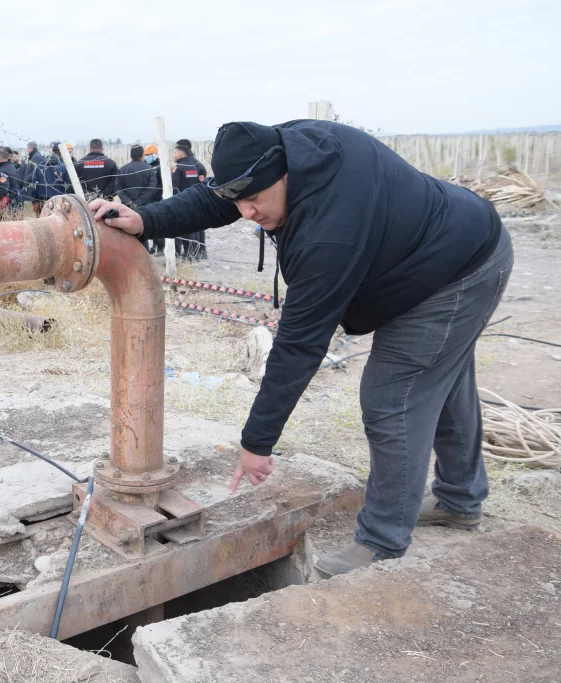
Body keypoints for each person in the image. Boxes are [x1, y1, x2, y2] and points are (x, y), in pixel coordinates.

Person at [90, 119, 512, 578]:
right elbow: (221, 197)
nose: (247, 213)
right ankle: (460, 499)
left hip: (458, 269)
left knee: (393, 397)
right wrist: (148, 218)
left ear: (284, 175)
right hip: (434, 249)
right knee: (443, 382)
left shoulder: (331, 232)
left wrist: (256, 442)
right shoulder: (282, 150)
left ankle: (382, 543)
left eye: (256, 201)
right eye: (240, 201)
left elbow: (299, 345)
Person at [171, 144, 207, 260]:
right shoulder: (198, 165)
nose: (173, 155)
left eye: (175, 153)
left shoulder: (179, 167)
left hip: (182, 200)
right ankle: (197, 253)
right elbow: (203, 180)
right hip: (197, 200)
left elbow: (174, 187)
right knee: (197, 226)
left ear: (181, 154)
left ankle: (186, 254)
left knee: (184, 227)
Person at [114, 145, 157, 210]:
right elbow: (151, 188)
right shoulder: (149, 169)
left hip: (127, 208)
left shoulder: (123, 169)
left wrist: (128, 202)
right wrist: (138, 203)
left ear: (131, 156)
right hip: (145, 207)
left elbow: (118, 188)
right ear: (143, 155)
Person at [143, 143, 165, 254]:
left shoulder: (161, 166)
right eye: (146, 154)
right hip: (148, 198)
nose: (147, 157)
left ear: (155, 154)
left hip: (159, 197)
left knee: (159, 222)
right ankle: (154, 246)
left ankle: (160, 247)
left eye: (149, 154)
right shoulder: (145, 165)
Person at [0, 146, 19, 219]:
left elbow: (2, 189)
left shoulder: (1, 171)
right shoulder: (11, 167)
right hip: (13, 204)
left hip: (5, 207)